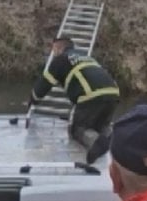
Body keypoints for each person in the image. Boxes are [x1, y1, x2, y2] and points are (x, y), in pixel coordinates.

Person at [28, 35, 120, 163]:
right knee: (100, 125)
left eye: (54, 50)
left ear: (58, 47)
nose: (53, 53)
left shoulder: (61, 59)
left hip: (90, 96)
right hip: (113, 93)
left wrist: (33, 99)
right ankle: (113, 138)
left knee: (77, 129)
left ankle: (96, 143)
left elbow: (43, 85)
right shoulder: (87, 57)